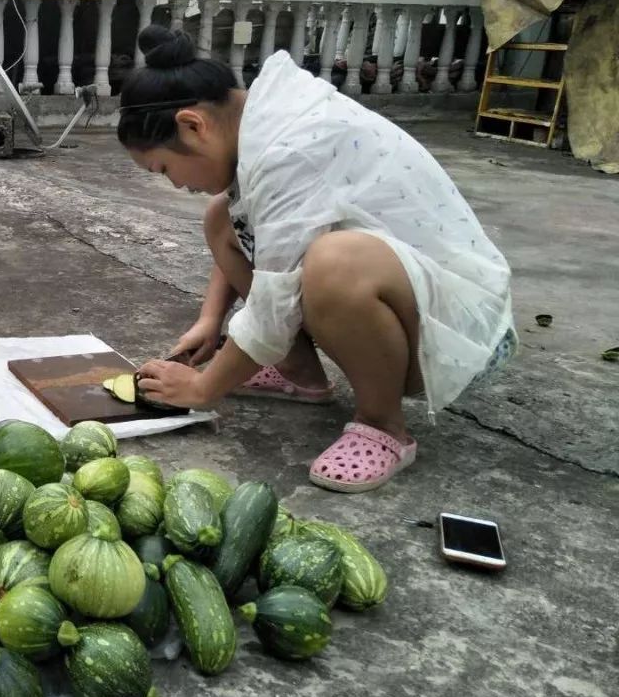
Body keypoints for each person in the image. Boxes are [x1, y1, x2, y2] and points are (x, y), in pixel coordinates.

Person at [120, 26, 515, 493]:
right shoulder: (262, 123)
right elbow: (257, 232)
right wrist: (211, 320)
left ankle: (383, 425)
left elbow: (272, 302)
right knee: (221, 218)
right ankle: (299, 373)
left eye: (164, 168)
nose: (175, 184)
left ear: (192, 125)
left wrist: (205, 389)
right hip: (410, 292)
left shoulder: (290, 148)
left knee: (334, 264)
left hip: (456, 329)